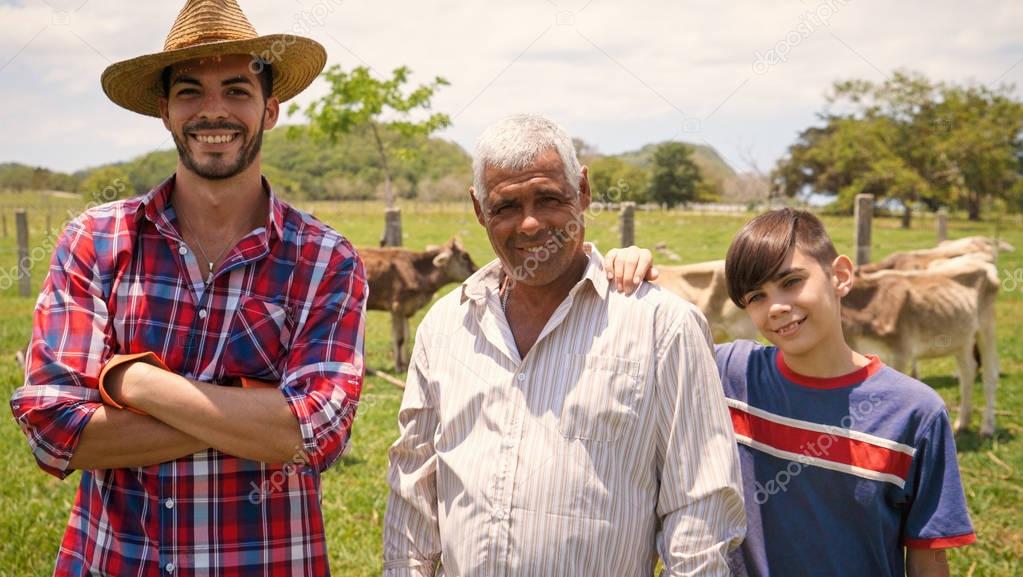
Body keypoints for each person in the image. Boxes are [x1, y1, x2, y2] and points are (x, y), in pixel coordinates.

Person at [9, 1, 366, 575]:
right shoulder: (97, 240)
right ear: (165, 112)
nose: (214, 111)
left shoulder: (326, 259)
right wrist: (248, 415)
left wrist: (129, 378)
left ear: (270, 110)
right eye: (191, 92)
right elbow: (54, 429)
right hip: (116, 561)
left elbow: (315, 431)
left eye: (237, 90)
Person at [382, 114, 745, 576]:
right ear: (479, 210)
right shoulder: (446, 327)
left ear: (584, 191)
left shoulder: (661, 326)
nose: (530, 224)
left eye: (549, 199)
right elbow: (414, 484)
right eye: (506, 206)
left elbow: (701, 508)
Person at [605, 209, 976, 576]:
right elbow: (641, 359)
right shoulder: (729, 373)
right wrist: (629, 269)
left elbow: (927, 560)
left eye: (792, 281)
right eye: (756, 297)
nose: (777, 307)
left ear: (840, 276)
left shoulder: (915, 413)